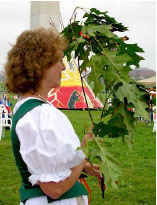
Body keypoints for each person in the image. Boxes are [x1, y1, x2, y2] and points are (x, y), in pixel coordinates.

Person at [5, 27, 100, 205]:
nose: (63, 66)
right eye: (58, 60)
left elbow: (51, 165)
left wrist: (83, 166)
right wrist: (83, 153)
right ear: (40, 64)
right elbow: (54, 189)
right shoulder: (39, 114)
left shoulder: (33, 110)